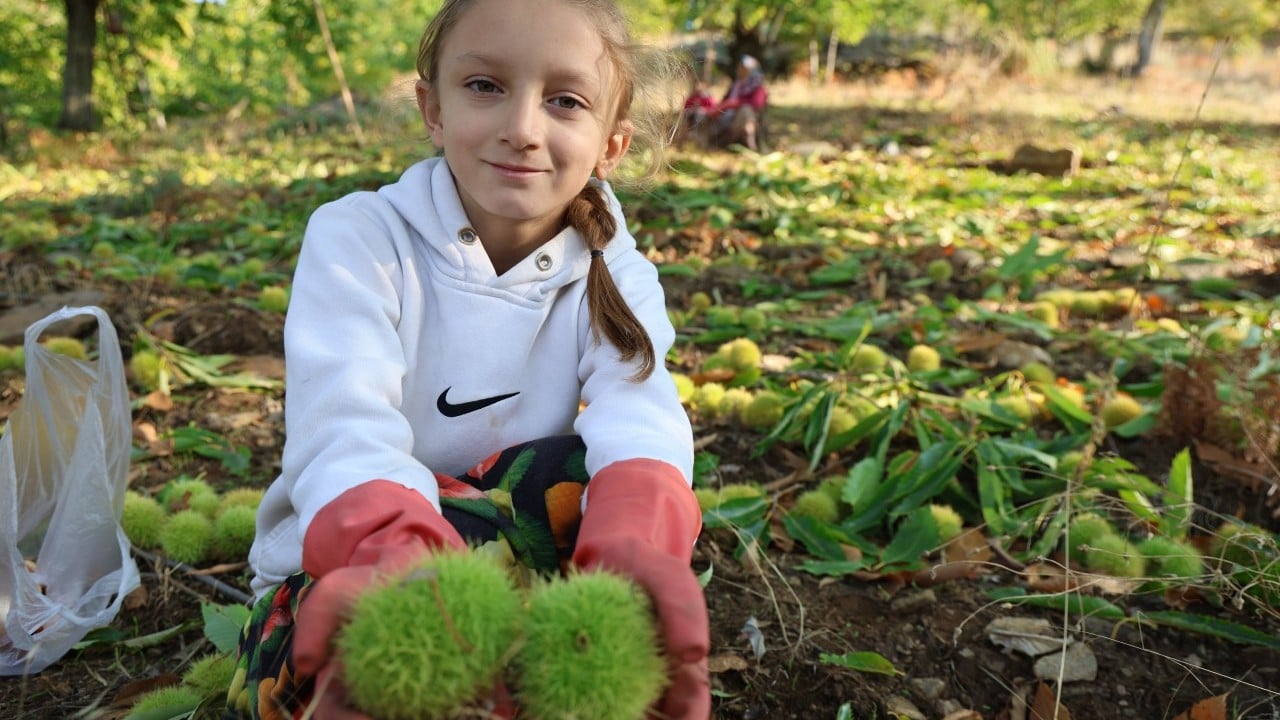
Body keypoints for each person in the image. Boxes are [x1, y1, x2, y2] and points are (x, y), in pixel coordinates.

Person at [221, 1, 709, 719]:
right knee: (300, 680)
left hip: (508, 533)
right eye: (485, 86)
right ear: (433, 106)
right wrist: (394, 551)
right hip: (367, 551)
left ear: (612, 144)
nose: (522, 128)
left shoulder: (617, 268)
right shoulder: (358, 238)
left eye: (566, 101)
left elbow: (640, 411)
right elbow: (342, 426)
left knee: (600, 478)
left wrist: (638, 541)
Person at [710, 55, 768, 151]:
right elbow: (725, 100)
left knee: (746, 112)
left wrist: (735, 103)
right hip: (726, 115)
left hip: (741, 117)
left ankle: (751, 145)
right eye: (740, 66)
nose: (740, 69)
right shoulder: (736, 84)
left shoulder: (757, 86)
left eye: (743, 67)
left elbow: (757, 104)